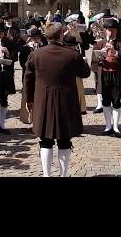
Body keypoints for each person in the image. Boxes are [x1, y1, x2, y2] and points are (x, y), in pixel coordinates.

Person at [24, 21, 90, 177]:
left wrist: (29, 100)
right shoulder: (72, 54)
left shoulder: (36, 54)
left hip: (43, 101)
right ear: (61, 35)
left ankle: (47, 175)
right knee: (64, 140)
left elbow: (28, 79)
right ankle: (63, 175)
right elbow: (85, 73)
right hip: (66, 102)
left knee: (45, 140)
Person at [91, 18, 121, 138]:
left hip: (117, 75)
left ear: (117, 31)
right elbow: (93, 60)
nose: (111, 32)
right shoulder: (99, 44)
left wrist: (116, 52)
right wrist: (100, 55)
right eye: (108, 30)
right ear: (105, 31)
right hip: (104, 75)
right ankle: (108, 126)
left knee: (117, 101)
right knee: (106, 101)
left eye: (113, 30)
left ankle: (116, 126)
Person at [19, 27, 44, 125]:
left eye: (38, 38)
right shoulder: (25, 48)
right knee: (29, 97)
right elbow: (22, 63)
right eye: (34, 38)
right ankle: (30, 119)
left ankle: (39, 120)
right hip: (29, 76)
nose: (36, 40)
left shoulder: (44, 47)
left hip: (41, 77)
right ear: (31, 38)